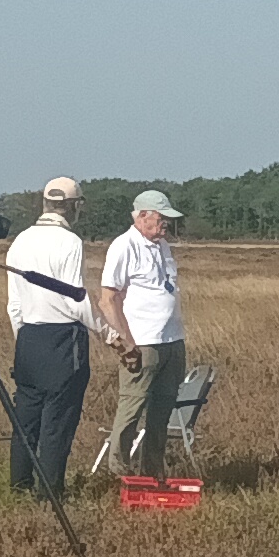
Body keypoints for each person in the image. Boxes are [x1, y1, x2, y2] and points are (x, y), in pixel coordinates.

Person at [0, 176, 94, 501]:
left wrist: (22, 339)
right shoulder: (70, 243)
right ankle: (50, 493)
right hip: (62, 340)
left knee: (26, 418)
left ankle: (19, 486)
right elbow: (74, 300)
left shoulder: (20, 241)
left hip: (28, 339)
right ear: (73, 206)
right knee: (57, 420)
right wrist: (110, 334)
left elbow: (14, 304)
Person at [96, 191, 189, 476]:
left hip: (172, 341)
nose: (166, 226)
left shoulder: (162, 247)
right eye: (161, 219)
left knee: (161, 413)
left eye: (167, 221)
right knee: (131, 410)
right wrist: (127, 342)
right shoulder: (124, 246)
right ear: (142, 215)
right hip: (142, 344)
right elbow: (107, 299)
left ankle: (153, 474)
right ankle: (119, 474)